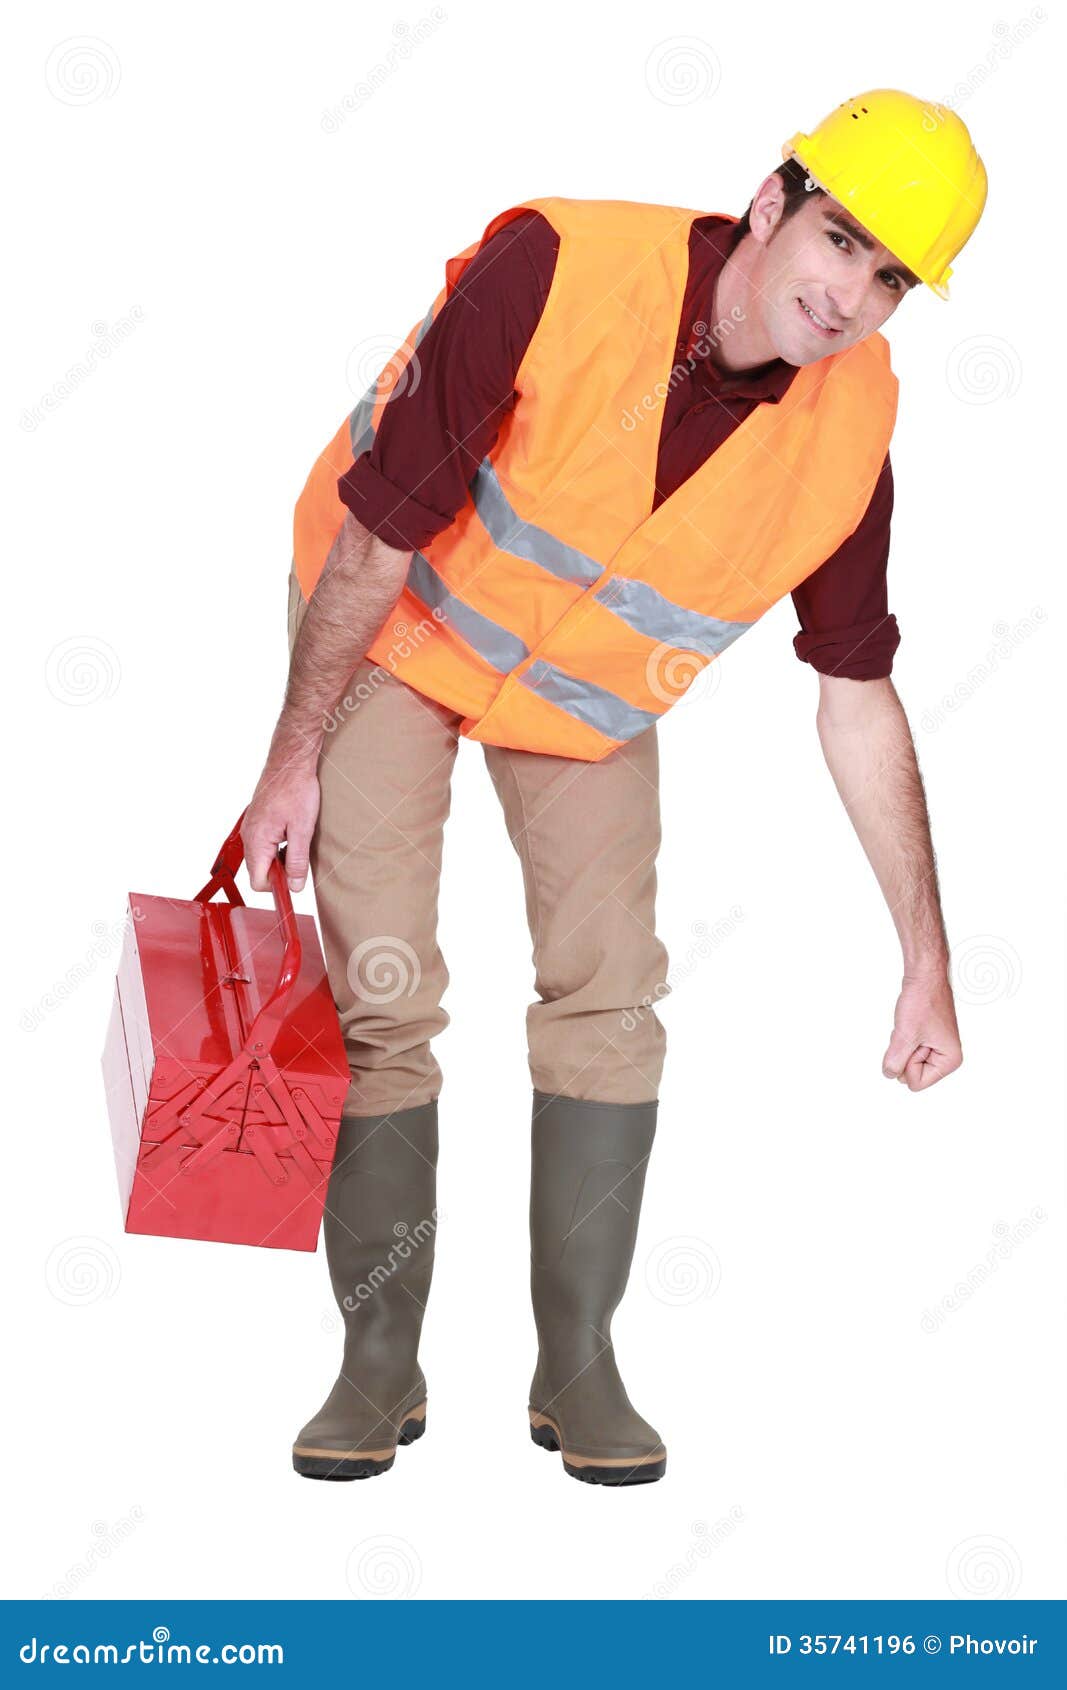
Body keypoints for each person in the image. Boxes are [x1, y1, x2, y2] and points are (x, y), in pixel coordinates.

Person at [242, 90, 988, 1486]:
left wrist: (926, 958)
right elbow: (374, 538)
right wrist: (293, 758)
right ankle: (376, 1361)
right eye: (842, 239)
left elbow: (855, 693)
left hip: (578, 697)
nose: (853, 295)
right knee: (385, 990)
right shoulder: (560, 270)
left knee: (609, 990)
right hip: (393, 636)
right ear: (771, 204)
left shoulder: (852, 427)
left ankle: (578, 1365)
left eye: (892, 277)